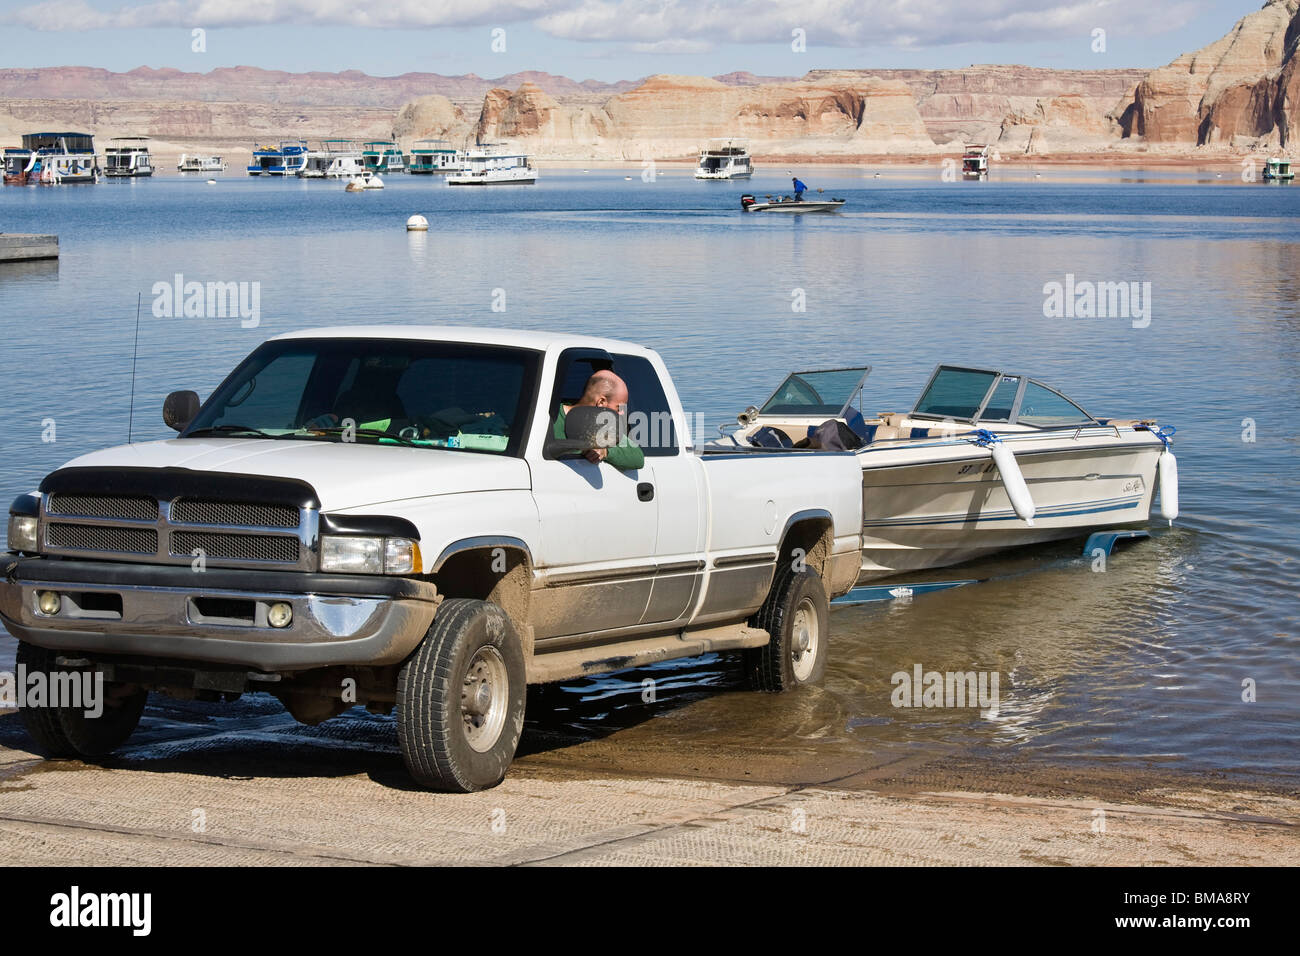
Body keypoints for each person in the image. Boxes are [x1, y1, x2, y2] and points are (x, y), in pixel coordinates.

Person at [552, 369, 645, 470]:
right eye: (619, 408)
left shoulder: (604, 429)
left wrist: (605, 451)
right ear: (601, 402)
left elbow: (637, 457)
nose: (622, 413)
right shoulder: (550, 418)